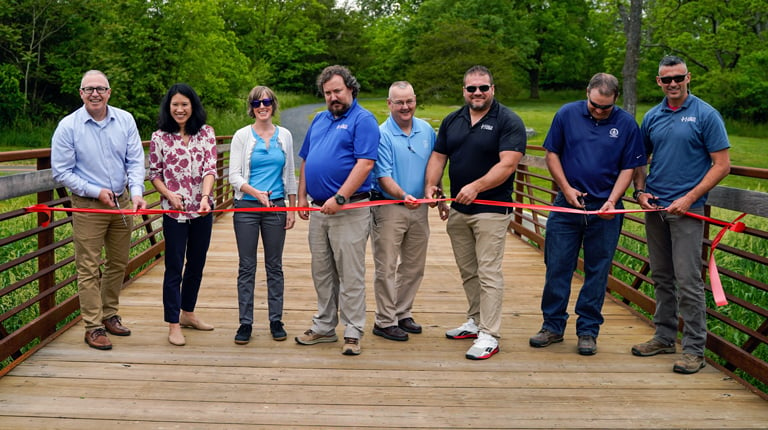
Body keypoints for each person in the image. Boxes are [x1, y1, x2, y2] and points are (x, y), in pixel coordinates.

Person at [528, 73, 646, 355]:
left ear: (615, 100)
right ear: (587, 94)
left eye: (606, 107)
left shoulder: (627, 124)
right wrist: (566, 189)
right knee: (557, 265)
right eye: (594, 104)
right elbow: (552, 153)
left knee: (597, 271)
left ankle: (588, 330)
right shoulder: (567, 114)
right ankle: (553, 326)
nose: (599, 111)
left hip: (605, 208)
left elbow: (629, 167)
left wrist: (613, 200)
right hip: (567, 204)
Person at [631, 55, 731, 374]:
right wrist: (640, 191)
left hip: (688, 210)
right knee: (661, 275)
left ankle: (693, 349)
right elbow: (639, 158)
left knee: (688, 280)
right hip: (656, 207)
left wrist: (689, 198)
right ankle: (663, 335)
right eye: (666, 79)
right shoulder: (653, 116)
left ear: (688, 78)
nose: (672, 84)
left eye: (678, 78)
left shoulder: (706, 115)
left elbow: (722, 165)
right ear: (658, 82)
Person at [424, 65, 527, 360]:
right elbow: (438, 156)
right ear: (464, 91)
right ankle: (475, 319)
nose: (477, 93)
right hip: (459, 209)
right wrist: (433, 186)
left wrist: (477, 187)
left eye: (483, 87)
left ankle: (490, 334)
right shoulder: (452, 120)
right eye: (472, 88)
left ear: (492, 89)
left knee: (489, 272)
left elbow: (508, 164)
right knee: (469, 271)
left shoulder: (508, 121)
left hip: (492, 210)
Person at [51, 70, 147, 350]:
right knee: (88, 266)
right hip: (88, 205)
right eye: (89, 88)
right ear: (80, 93)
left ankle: (109, 315)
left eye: (100, 88)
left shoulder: (125, 119)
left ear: (109, 92)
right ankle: (92, 326)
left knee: (118, 262)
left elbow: (135, 160)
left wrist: (138, 193)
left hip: (122, 201)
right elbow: (62, 172)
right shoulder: (68, 126)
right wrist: (95, 191)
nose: (95, 93)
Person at [295, 65, 379, 356]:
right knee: (322, 271)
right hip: (318, 211)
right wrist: (302, 194)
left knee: (350, 273)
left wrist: (340, 198)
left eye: (338, 91)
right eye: (328, 93)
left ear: (351, 89)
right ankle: (324, 326)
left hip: (350, 208)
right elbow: (306, 159)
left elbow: (365, 163)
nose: (333, 97)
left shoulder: (363, 120)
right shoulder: (319, 119)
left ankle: (353, 331)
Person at [149, 83, 217, 347]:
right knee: (174, 266)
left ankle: (188, 313)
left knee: (197, 263)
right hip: (174, 211)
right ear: (169, 107)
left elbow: (211, 167)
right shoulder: (159, 137)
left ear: (193, 106)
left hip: (202, 209)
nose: (179, 109)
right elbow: (154, 173)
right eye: (175, 104)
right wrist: (169, 194)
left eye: (184, 104)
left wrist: (204, 197)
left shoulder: (206, 133)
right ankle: (173, 324)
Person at [229, 86, 297, 345]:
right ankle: (245, 322)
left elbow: (290, 172)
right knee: (247, 266)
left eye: (267, 101)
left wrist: (290, 206)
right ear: (251, 107)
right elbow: (233, 175)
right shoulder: (242, 136)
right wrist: (255, 193)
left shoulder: (285, 136)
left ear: (273, 104)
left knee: (274, 266)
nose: (262, 106)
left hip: (276, 207)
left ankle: (275, 319)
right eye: (257, 103)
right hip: (247, 207)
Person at [370, 81, 436, 342]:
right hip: (389, 207)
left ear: (415, 100)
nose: (405, 106)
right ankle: (384, 321)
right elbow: (383, 175)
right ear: (389, 104)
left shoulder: (427, 130)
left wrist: (436, 193)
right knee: (385, 266)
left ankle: (402, 312)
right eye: (399, 102)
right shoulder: (382, 133)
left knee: (413, 266)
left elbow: (435, 164)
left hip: (419, 208)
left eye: (409, 101)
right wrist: (402, 195)